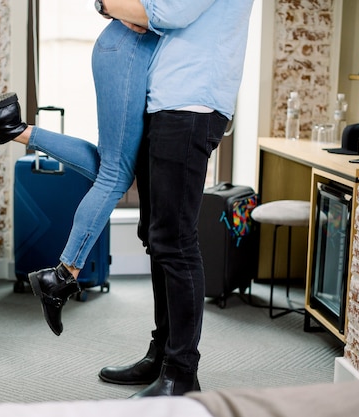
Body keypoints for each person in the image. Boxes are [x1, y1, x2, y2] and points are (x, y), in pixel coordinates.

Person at [0, 20, 159, 336]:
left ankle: (11, 126)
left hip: (126, 50)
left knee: (111, 170)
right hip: (129, 51)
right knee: (115, 176)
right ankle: (62, 276)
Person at [94, 0, 255, 398]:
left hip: (191, 107)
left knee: (175, 241)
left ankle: (181, 372)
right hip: (168, 104)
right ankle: (163, 354)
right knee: (157, 237)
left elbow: (166, 12)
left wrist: (105, 4)